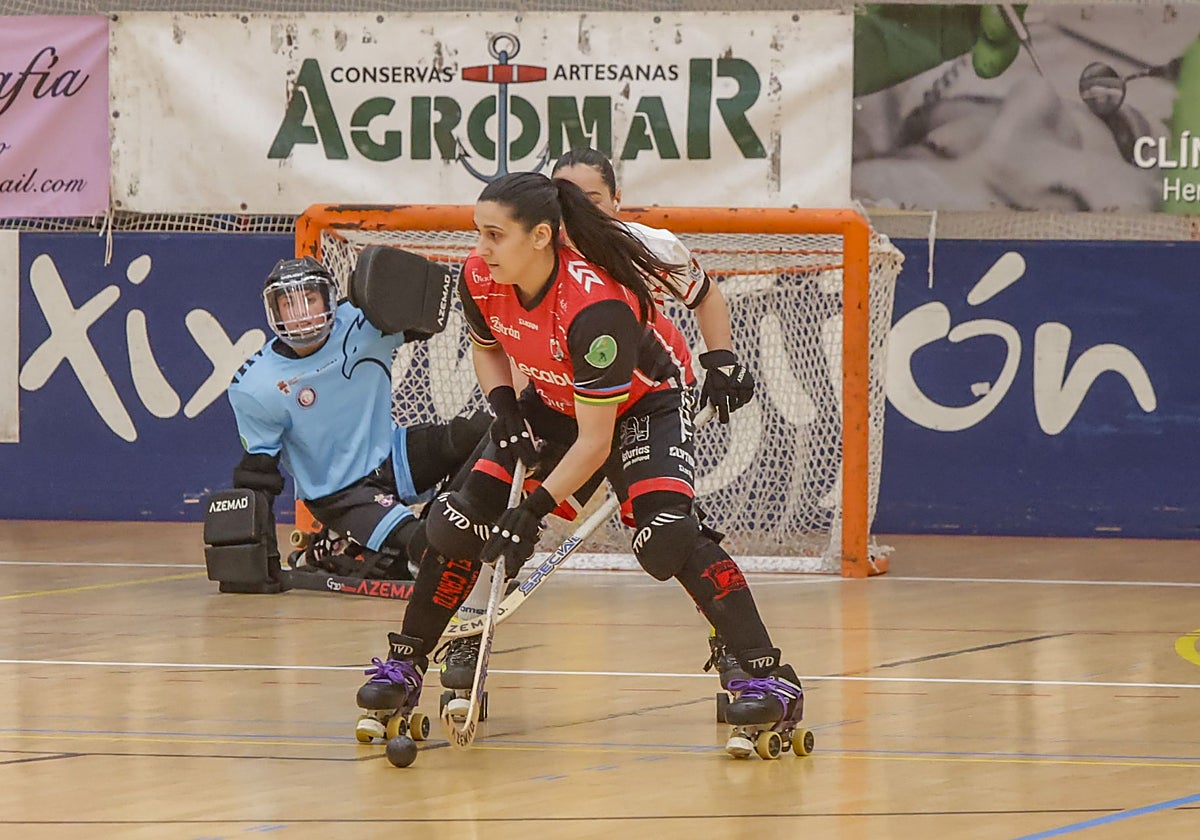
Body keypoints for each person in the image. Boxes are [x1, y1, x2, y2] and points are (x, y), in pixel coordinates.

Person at [355, 172, 805, 754]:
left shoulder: (595, 310)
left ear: (542, 236)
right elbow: (489, 346)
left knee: (665, 535)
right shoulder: (478, 276)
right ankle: (406, 665)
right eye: (478, 233)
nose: (480, 248)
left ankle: (767, 673)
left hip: (644, 404)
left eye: (495, 235)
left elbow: (595, 441)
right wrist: (504, 408)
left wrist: (534, 510)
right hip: (553, 399)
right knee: (458, 522)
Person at [550, 146, 755, 684]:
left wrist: (721, 362)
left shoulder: (643, 247)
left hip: (647, 395)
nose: (576, 213)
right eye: (564, 200)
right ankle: (465, 639)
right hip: (571, 403)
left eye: (591, 199)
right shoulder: (535, 254)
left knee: (664, 528)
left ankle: (738, 645)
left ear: (617, 202)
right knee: (493, 509)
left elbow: (705, 295)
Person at [213, 256, 490, 593]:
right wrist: (260, 557)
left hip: (392, 454)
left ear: (329, 298)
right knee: (434, 551)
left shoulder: (364, 321)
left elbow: (428, 316)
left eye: (310, 299)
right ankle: (390, 546)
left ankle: (442, 520)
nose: (302, 313)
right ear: (274, 311)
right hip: (341, 494)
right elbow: (258, 476)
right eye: (289, 303)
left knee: (484, 434)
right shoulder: (256, 385)